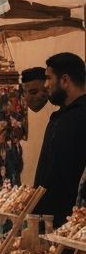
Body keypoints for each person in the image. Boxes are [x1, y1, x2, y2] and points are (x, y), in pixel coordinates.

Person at [34, 53, 86, 226]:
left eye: (49, 78)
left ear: (64, 80)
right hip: (47, 220)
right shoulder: (59, 117)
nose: (46, 85)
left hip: (71, 223)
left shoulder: (81, 116)